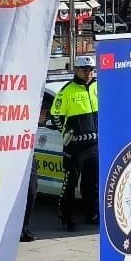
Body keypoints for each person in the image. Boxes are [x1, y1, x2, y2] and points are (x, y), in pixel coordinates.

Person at [51, 56, 99, 231]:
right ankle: (66, 217)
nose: (88, 73)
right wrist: (66, 133)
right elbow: (55, 116)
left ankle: (91, 213)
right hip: (74, 147)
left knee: (91, 183)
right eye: (84, 69)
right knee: (70, 183)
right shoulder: (66, 91)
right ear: (76, 70)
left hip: (94, 145)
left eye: (91, 69)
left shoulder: (98, 88)